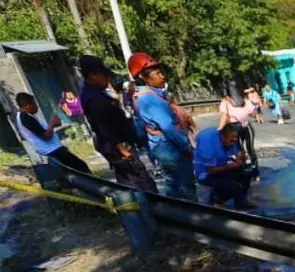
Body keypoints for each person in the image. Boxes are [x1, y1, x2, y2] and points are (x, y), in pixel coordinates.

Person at [78, 55, 157, 192]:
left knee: (127, 182)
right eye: (104, 75)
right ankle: (152, 208)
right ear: (93, 76)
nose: (108, 79)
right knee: (140, 181)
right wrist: (121, 148)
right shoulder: (95, 99)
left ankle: (136, 208)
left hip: (116, 143)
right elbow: (103, 127)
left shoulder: (95, 92)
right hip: (118, 146)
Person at [128, 52, 196, 199]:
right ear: (144, 77)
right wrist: (186, 146)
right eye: (157, 74)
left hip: (159, 147)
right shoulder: (150, 99)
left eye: (161, 72)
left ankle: (173, 216)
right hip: (170, 148)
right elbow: (168, 127)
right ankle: (193, 218)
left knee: (172, 185)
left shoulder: (140, 96)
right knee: (186, 187)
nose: (162, 76)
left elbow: (140, 129)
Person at [13, 92, 92, 174]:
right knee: (81, 168)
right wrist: (52, 124)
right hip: (52, 150)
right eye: (34, 104)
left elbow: (44, 131)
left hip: (54, 149)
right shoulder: (26, 118)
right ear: (27, 106)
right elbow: (46, 136)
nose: (37, 107)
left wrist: (53, 124)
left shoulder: (28, 115)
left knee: (75, 170)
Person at [193, 123, 256, 209]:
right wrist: (230, 166)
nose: (233, 144)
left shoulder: (231, 139)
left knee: (248, 172)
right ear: (223, 137)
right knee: (234, 187)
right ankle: (216, 198)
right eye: (231, 141)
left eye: (235, 141)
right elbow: (212, 170)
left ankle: (241, 201)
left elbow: (237, 154)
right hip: (207, 173)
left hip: (222, 168)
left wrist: (240, 159)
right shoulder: (208, 144)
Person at [218, 93, 259, 168]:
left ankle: (244, 168)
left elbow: (224, 117)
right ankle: (254, 168)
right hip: (245, 126)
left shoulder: (225, 102)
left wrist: (219, 129)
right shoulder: (245, 101)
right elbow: (253, 115)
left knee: (239, 149)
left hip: (234, 127)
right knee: (249, 148)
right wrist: (254, 107)